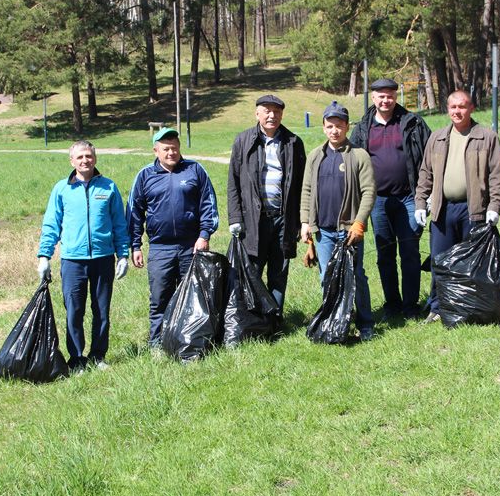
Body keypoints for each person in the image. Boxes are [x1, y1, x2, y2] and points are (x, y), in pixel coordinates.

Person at [37, 141, 129, 372]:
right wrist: (44, 256)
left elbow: (119, 223)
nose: (85, 160)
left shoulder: (108, 187)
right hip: (72, 261)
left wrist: (123, 254)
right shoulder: (61, 189)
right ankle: (77, 359)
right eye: (79, 157)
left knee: (101, 310)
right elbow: (51, 224)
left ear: (95, 158)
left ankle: (98, 356)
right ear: (72, 161)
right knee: (74, 311)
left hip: (103, 258)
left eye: (88, 156)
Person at [414, 90, 500, 321]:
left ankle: (472, 306)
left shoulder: (486, 137)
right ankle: (437, 306)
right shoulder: (437, 138)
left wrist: (495, 205)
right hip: (443, 210)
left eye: (462, 106)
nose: (457, 111)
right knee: (440, 260)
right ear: (448, 109)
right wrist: (420, 203)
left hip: (473, 210)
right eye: (453, 107)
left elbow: (497, 176)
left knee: (473, 263)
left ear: (471, 108)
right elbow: (425, 173)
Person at [127, 127, 219, 350]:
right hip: (160, 248)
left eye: (175, 148)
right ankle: (157, 343)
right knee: (160, 297)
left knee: (195, 296)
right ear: (156, 151)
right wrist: (136, 245)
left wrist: (204, 234)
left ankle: (192, 341)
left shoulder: (195, 170)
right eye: (166, 149)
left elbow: (208, 204)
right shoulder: (145, 176)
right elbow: (134, 212)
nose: (171, 153)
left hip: (192, 246)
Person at [349, 78, 431, 319]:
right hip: (377, 201)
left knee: (410, 252)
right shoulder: (363, 128)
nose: (386, 100)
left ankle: (410, 305)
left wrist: (426, 197)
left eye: (390, 96)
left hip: (408, 198)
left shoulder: (412, 123)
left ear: (396, 96)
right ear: (373, 98)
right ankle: (392, 305)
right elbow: (353, 163)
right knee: (385, 254)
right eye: (380, 96)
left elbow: (429, 158)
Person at [300, 101, 376, 341]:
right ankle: (333, 320)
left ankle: (365, 323)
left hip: (349, 231)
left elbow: (369, 192)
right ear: (323, 127)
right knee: (326, 276)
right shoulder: (315, 156)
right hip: (323, 231)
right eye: (330, 126)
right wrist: (306, 224)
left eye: (339, 126)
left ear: (347, 127)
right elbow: (307, 191)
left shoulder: (358, 155)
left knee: (357, 276)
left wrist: (359, 223)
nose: (335, 130)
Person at [227, 94, 306, 312]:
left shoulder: (293, 142)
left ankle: (274, 318)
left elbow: (301, 185)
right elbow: (233, 182)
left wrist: (300, 221)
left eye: (277, 111)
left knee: (279, 272)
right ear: (257, 113)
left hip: (283, 218)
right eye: (267, 111)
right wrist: (235, 218)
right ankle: (251, 318)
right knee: (251, 270)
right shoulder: (243, 141)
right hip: (253, 219)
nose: (272, 115)